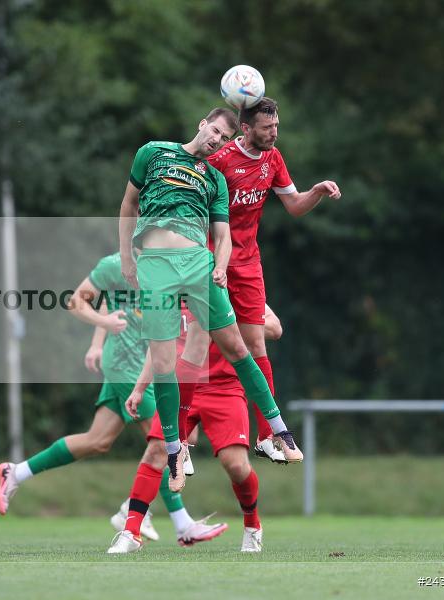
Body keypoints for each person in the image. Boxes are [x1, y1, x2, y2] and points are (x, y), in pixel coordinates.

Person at [118, 108, 302, 495]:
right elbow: (129, 204)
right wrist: (125, 259)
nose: (215, 140)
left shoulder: (215, 178)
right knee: (167, 362)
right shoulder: (153, 152)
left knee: (239, 345)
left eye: (222, 138)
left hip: (199, 268)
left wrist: (220, 267)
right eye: (214, 132)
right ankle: (175, 450)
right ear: (202, 124)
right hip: (155, 268)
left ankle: (278, 430)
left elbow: (222, 235)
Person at [0, 253, 219, 544]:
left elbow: (120, 301)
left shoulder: (168, 261)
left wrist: (96, 343)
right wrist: (102, 327)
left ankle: (15, 472)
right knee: (165, 441)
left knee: (97, 440)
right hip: (127, 365)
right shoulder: (115, 264)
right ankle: (179, 524)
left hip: (144, 363)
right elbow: (78, 301)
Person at [207, 97, 341, 461]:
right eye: (267, 128)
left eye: (277, 126)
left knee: (258, 345)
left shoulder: (273, 159)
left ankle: (267, 436)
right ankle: (179, 443)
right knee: (197, 343)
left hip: (248, 264)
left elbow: (295, 206)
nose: (274, 133)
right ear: (247, 129)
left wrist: (316, 191)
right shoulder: (218, 162)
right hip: (212, 262)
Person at [108, 305, 275, 553]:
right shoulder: (171, 291)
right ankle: (131, 532)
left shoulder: (229, 288)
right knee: (156, 451)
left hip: (225, 388)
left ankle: (252, 525)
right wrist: (140, 388)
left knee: (236, 465)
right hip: (179, 385)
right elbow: (158, 345)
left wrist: (230, 320)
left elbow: (275, 327)